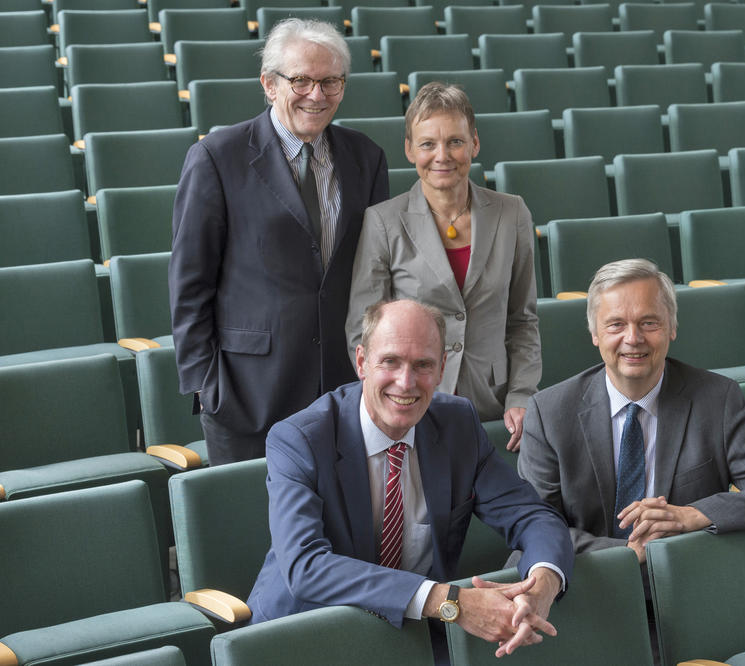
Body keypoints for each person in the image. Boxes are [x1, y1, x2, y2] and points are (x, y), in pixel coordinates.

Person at [247, 299, 573, 659]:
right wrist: (450, 602)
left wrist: (543, 584)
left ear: (441, 368)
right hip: (307, 637)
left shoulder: (457, 425)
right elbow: (305, 565)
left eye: (423, 365)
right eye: (390, 361)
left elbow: (533, 516)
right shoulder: (301, 438)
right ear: (361, 362)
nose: (406, 382)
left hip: (412, 640)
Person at [168, 18, 389, 465]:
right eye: (301, 80)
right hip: (247, 397)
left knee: (338, 531)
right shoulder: (217, 157)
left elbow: (375, 273)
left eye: (330, 81)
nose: (317, 94)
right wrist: (206, 387)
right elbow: (189, 284)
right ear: (269, 84)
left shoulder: (366, 157)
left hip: (342, 391)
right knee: (253, 532)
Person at [518, 259, 745, 564]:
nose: (633, 338)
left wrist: (693, 514)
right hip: (590, 585)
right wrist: (624, 554)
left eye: (649, 322)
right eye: (616, 324)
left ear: (671, 327)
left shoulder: (717, 399)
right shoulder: (549, 413)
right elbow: (533, 525)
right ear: (595, 333)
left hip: (688, 579)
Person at [347, 83, 539, 452]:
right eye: (427, 144)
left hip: (493, 406)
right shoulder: (383, 222)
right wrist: (385, 399)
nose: (442, 155)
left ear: (474, 144)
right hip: (410, 404)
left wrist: (522, 394)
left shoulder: (512, 212)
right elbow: (362, 329)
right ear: (409, 149)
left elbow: (523, 320)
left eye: (455, 141)